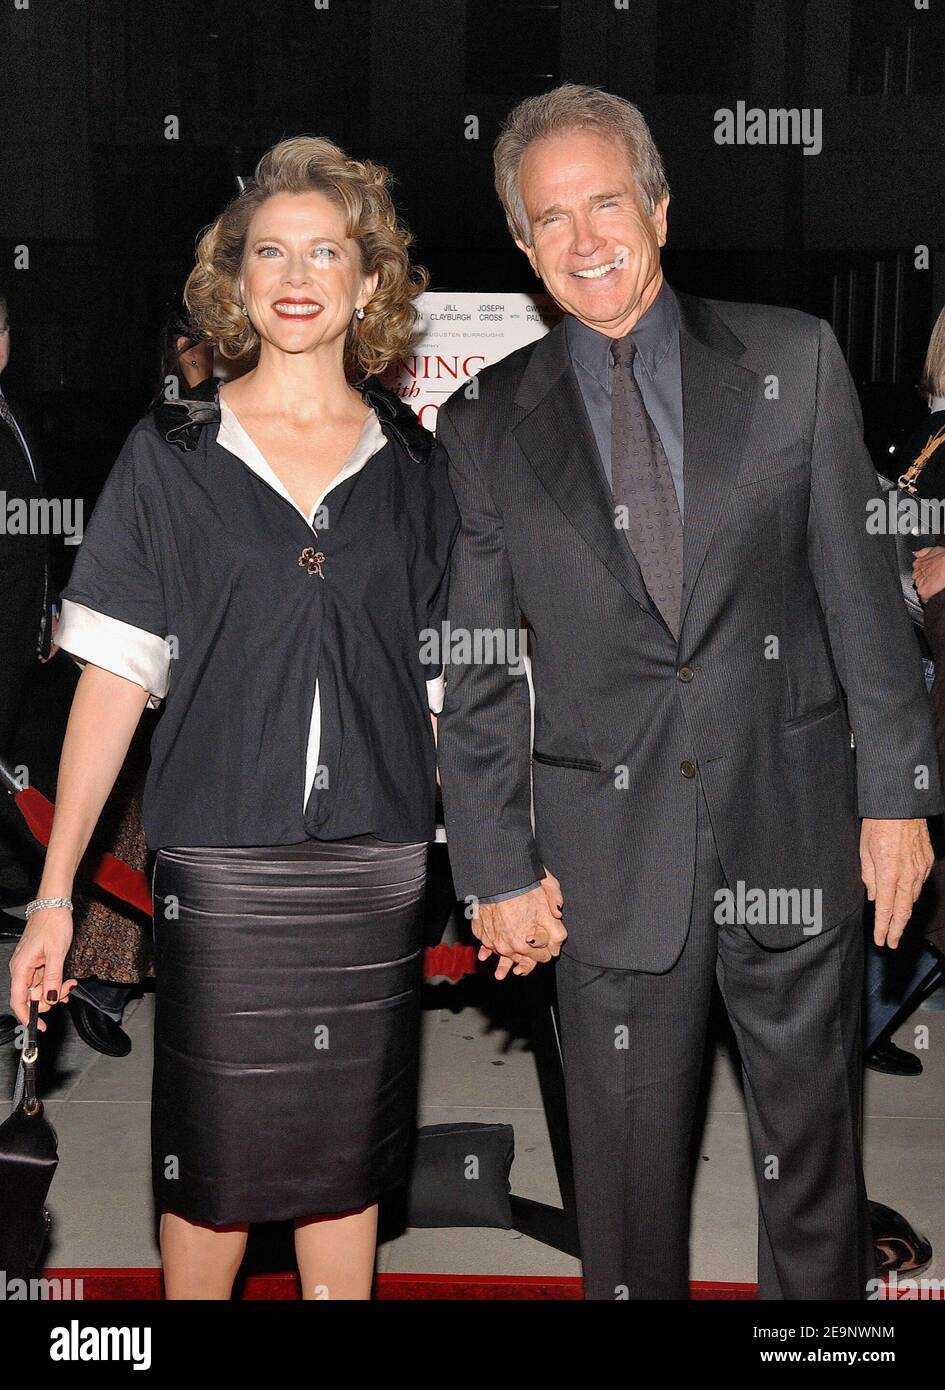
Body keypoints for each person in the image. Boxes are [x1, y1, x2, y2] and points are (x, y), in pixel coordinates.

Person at [435, 83, 941, 1300]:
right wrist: (495, 863)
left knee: (813, 1180)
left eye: (605, 200)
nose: (585, 237)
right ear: (522, 247)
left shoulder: (792, 360)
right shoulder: (486, 421)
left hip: (797, 824)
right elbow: (480, 658)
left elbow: (863, 598)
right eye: (550, 219)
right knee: (621, 1201)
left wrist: (897, 798)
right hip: (602, 864)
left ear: (659, 205)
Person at [9, 135, 458, 1300]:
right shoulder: (169, 457)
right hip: (223, 870)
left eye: (326, 250)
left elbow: (448, 691)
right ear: (238, 280)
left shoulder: (414, 467)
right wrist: (55, 893)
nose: (297, 272)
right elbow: (113, 679)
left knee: (347, 1166)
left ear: (370, 283)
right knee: (211, 1165)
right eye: (270, 250)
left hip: (377, 868)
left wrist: (511, 861)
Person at [0, 291, 56, 911]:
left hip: (17, 626)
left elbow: (33, 529)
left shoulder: (12, 410)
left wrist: (50, 604)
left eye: (1, 328)